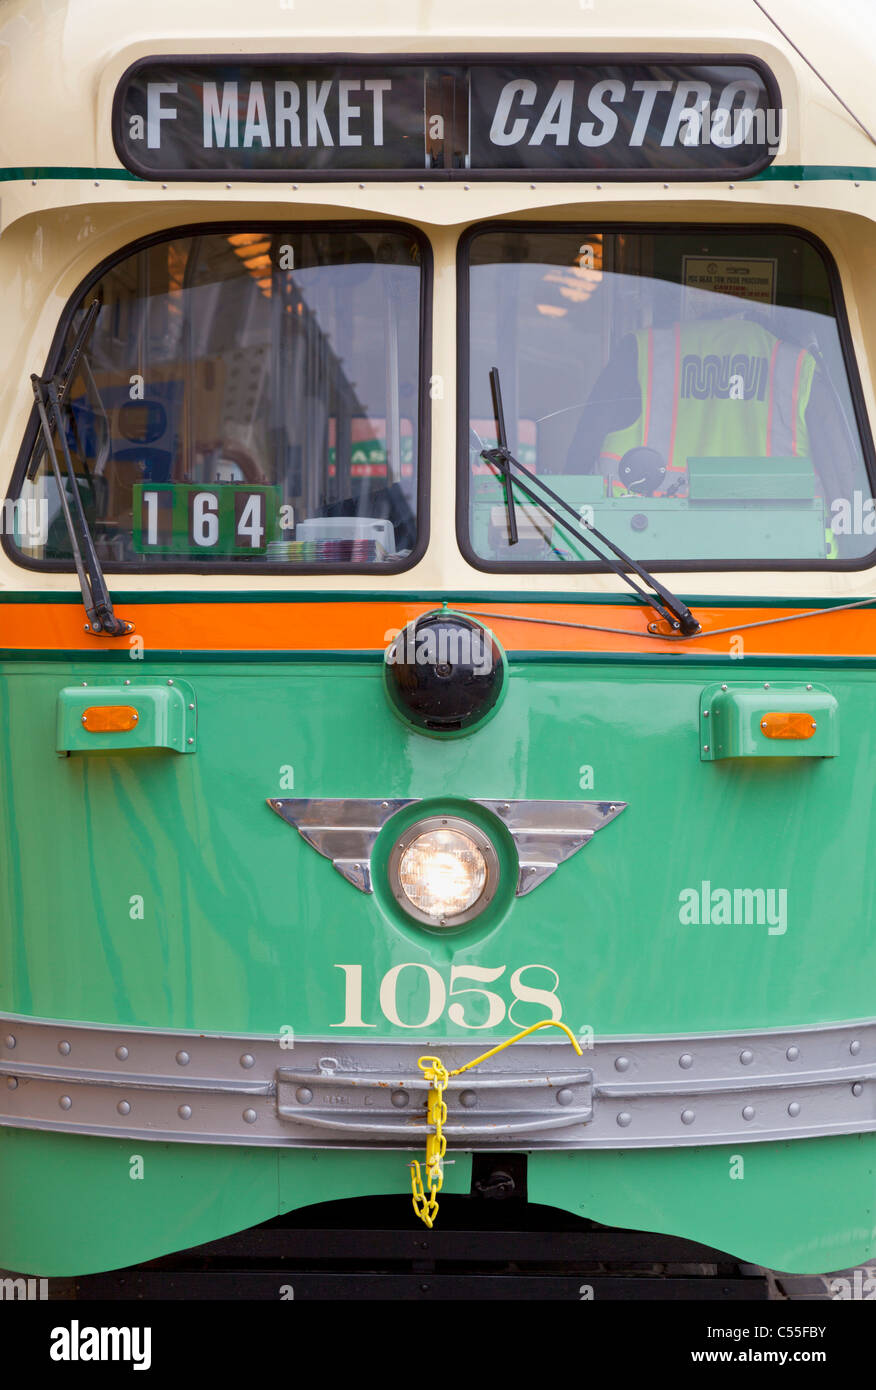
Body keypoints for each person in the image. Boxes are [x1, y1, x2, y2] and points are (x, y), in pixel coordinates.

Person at [565, 310, 852, 507]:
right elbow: (846, 489)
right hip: (785, 574)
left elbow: (577, 468)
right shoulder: (800, 369)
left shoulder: (642, 351)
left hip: (638, 567)